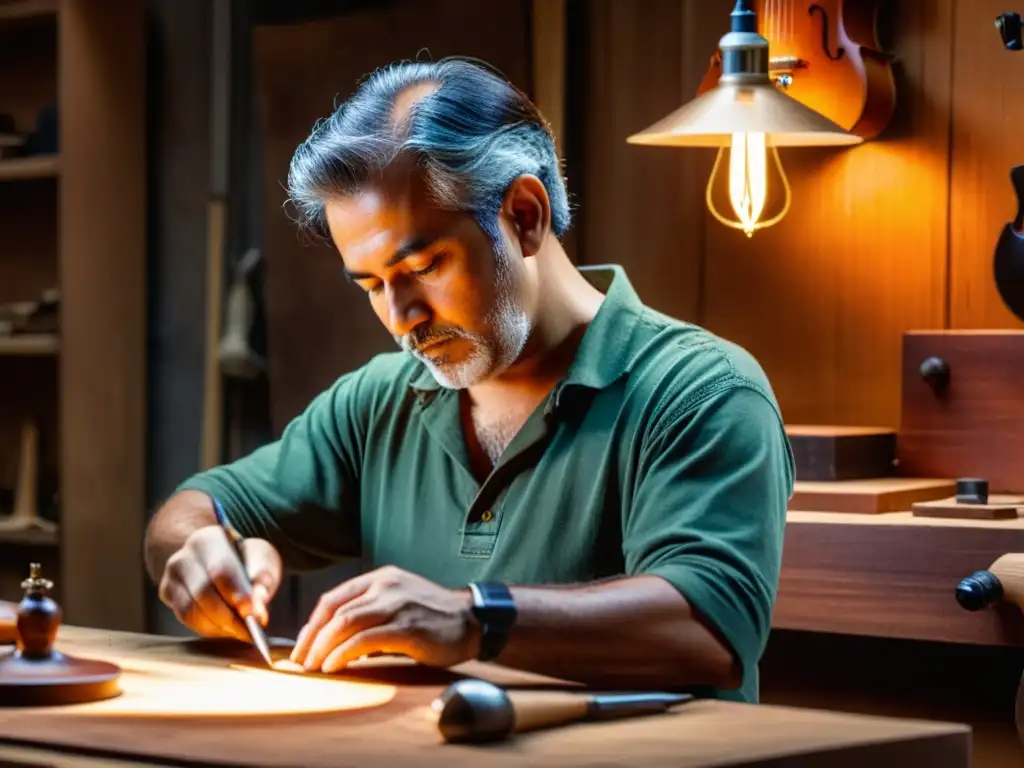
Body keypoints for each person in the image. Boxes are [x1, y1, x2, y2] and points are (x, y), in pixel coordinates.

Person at [143, 56, 793, 704]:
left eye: (424, 265)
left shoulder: (702, 391)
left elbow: (708, 630)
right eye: (371, 284)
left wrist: (473, 619)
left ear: (525, 215)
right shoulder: (378, 400)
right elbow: (195, 506)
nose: (401, 318)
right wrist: (199, 550)